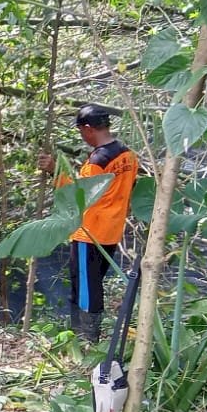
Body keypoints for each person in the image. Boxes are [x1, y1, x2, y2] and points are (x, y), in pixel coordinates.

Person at [37, 104, 139, 343]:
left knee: (85, 288)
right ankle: (85, 338)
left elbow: (78, 196)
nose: (82, 136)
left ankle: (86, 340)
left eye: (81, 131)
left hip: (90, 232)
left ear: (88, 128)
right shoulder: (128, 156)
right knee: (93, 284)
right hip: (112, 231)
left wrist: (55, 171)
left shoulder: (98, 161)